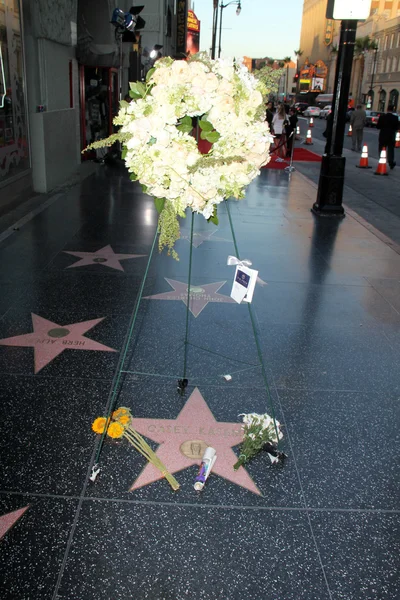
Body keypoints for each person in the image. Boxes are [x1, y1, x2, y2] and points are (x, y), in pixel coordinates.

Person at [376, 104, 399, 169]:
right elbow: (397, 127)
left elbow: (378, 126)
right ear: (393, 110)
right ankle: (391, 162)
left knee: (381, 148)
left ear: (387, 109)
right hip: (391, 136)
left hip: (383, 135)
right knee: (391, 149)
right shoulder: (395, 118)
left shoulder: (382, 117)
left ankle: (381, 159)